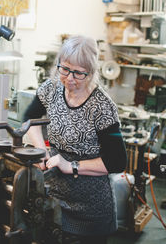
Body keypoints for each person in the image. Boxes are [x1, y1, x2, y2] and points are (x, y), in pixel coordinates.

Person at [23, 35, 127, 244]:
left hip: (90, 209)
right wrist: (41, 149)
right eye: (65, 69)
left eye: (78, 73)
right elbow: (29, 119)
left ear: (90, 73)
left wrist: (71, 165)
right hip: (53, 198)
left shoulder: (102, 107)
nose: (69, 78)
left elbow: (117, 162)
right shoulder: (52, 88)